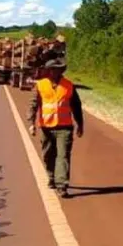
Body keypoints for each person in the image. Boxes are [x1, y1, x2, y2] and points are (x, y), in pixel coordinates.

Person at [28, 58, 84, 198]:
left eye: (58, 69)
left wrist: (80, 124)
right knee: (48, 155)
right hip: (46, 127)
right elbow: (33, 105)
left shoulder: (69, 86)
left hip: (64, 127)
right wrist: (31, 123)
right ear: (49, 71)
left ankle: (62, 185)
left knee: (63, 156)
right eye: (52, 69)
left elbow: (76, 107)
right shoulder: (41, 85)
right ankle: (51, 176)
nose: (55, 71)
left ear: (61, 71)